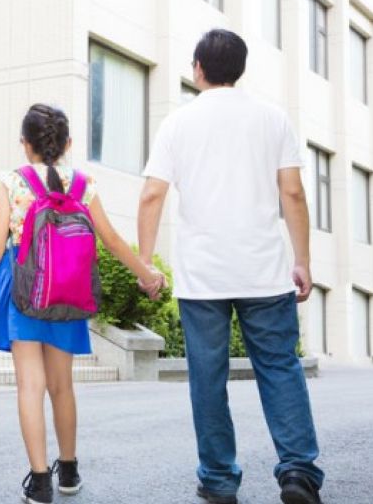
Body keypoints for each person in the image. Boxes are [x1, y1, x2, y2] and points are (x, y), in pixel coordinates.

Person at [137, 29, 324, 504]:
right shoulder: (272, 118)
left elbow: (152, 193)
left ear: (198, 67)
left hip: (203, 277)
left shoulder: (178, 123)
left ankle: (219, 480)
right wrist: (301, 259)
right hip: (263, 270)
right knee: (280, 367)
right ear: (239, 70)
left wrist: (144, 261)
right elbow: (294, 193)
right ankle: (298, 472)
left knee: (207, 377)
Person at [0, 104, 165, 504]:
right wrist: (146, 274)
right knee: (63, 386)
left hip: (23, 291)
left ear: (25, 144)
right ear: (68, 144)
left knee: (30, 386)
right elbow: (110, 239)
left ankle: (40, 482)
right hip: (68, 291)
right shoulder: (83, 184)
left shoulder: (13, 182)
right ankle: (70, 471)